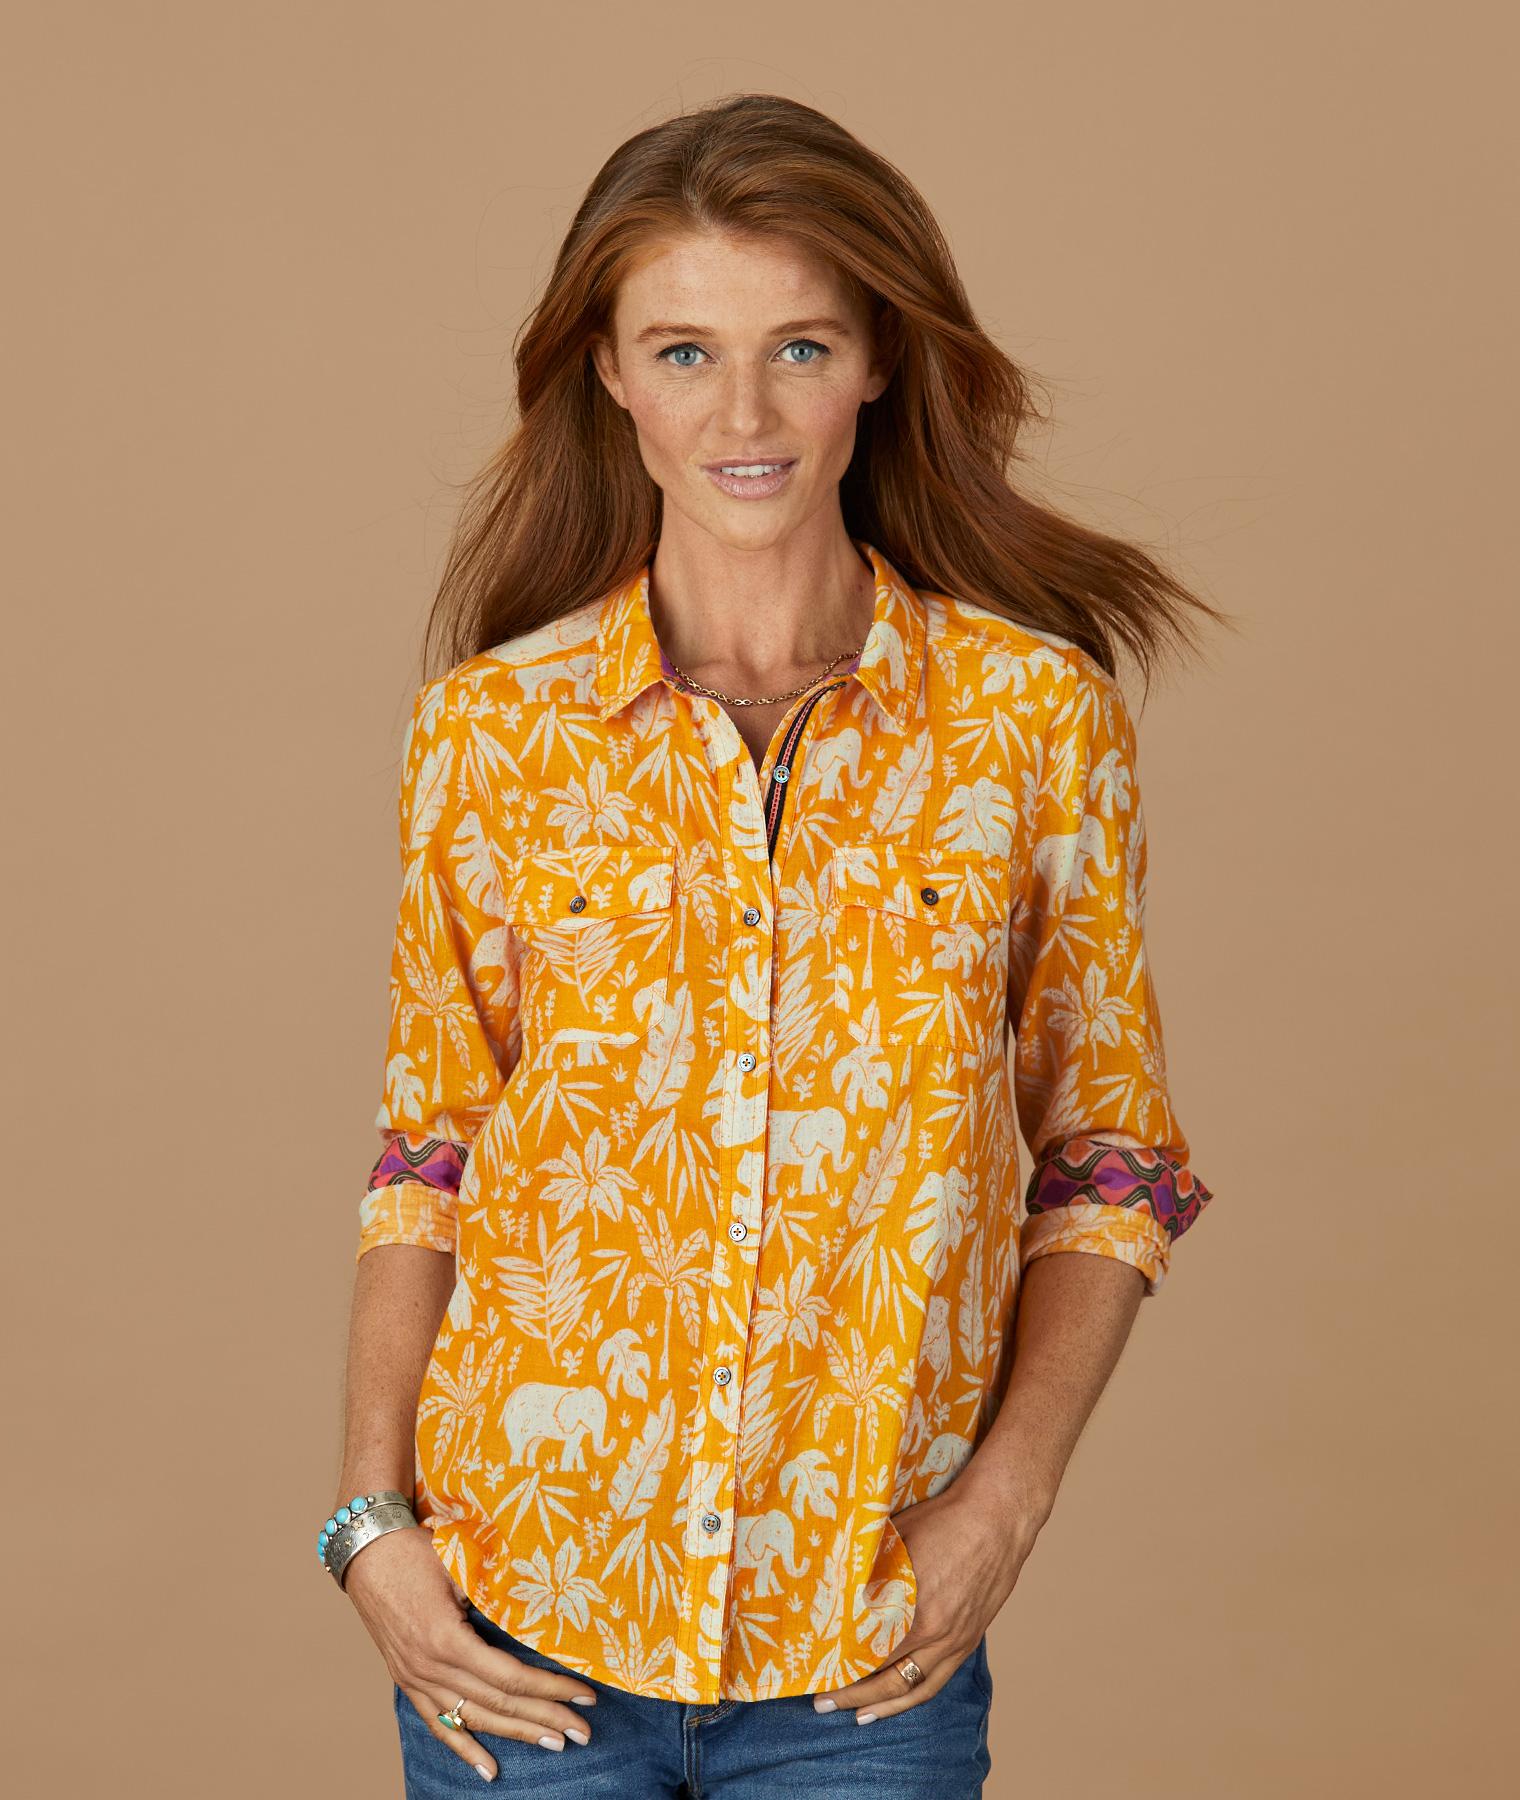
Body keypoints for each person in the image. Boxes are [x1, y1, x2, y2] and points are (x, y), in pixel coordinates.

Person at [321, 92, 1229, 1795]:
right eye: (684, 353)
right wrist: (371, 1528)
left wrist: (1007, 1502)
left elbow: (1112, 1161)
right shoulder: (490, 735)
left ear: (877, 359)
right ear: (609, 373)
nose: (742, 416)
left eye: (797, 347)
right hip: (520, 1621)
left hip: (863, 1650)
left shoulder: (1032, 725)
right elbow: (427, 1150)